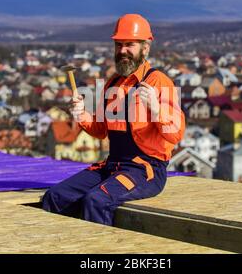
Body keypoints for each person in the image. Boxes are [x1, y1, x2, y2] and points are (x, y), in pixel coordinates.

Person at [42, 13, 185, 225]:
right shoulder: (113, 83)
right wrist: (81, 114)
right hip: (113, 166)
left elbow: (176, 134)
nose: (123, 51)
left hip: (145, 170)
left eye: (130, 45)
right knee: (54, 197)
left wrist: (156, 110)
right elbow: (101, 130)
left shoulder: (159, 82)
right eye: (119, 45)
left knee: (96, 201)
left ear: (145, 48)